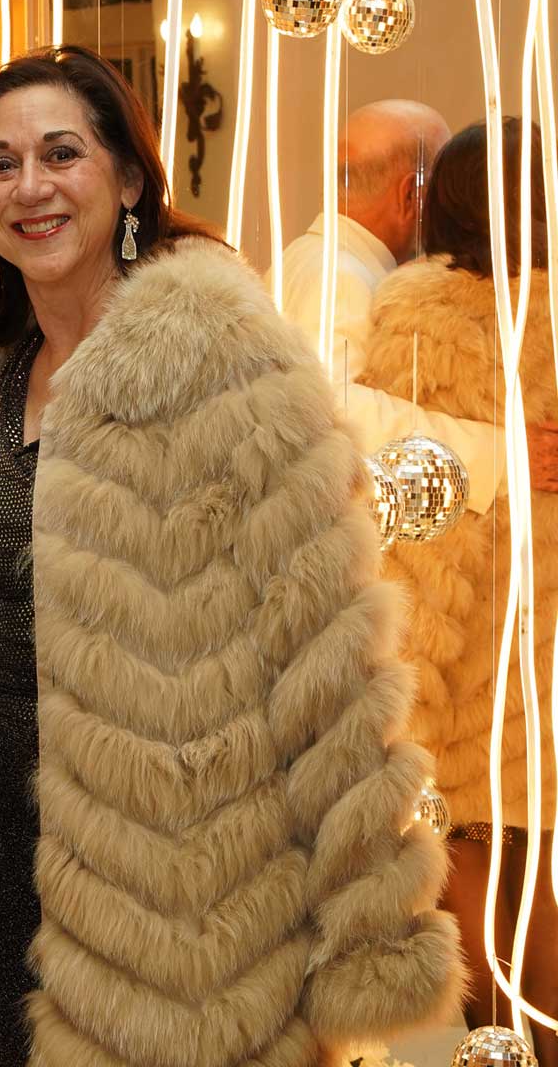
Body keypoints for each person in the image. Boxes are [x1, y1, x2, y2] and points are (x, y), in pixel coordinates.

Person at [0, 46, 462, 1067]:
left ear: (130, 178)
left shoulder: (218, 352)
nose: (31, 187)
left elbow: (327, 642)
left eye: (62, 153)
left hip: (185, 871)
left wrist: (368, 917)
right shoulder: (0, 360)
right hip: (13, 828)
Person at [358, 117, 558, 1065]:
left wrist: (396, 734)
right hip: (534, 711)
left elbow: (423, 559)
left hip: (475, 734)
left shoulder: (432, 328)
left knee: (501, 1005)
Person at [279, 100, 558, 515]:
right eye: (444, 186)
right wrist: (505, 454)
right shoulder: (335, 272)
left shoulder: (334, 262)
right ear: (412, 193)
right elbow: (333, 410)